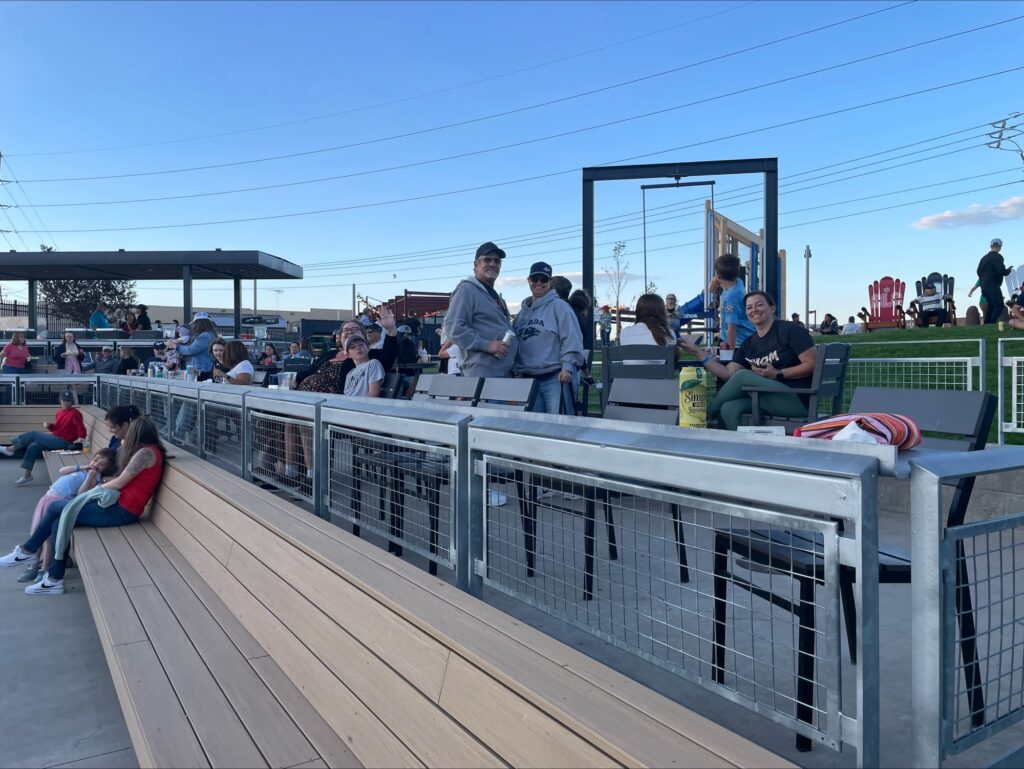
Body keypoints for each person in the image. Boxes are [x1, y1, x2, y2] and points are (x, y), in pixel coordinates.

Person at [0, 416, 166, 596]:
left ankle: (29, 551)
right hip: (118, 506)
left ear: (137, 434)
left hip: (122, 511)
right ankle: (53, 579)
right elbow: (122, 480)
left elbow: (119, 483)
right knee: (58, 520)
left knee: (56, 507)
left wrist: (92, 492)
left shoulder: (145, 453)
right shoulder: (149, 451)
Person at [680, 291, 817, 431]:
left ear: (772, 308)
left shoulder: (790, 330)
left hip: (799, 400)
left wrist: (778, 373)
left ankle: (702, 415)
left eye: (759, 305)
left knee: (744, 375)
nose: (754, 310)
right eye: (749, 307)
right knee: (729, 409)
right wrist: (699, 353)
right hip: (766, 397)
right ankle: (740, 451)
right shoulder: (749, 344)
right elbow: (727, 373)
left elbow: (812, 364)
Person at [15, 448, 117, 583]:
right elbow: (62, 470)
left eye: (102, 464)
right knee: (37, 532)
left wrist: (90, 477)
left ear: (107, 468)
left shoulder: (96, 478)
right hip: (47, 498)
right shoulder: (82, 469)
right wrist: (82, 467)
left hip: (59, 501)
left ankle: (44, 568)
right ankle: (32, 567)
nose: (96, 464)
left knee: (48, 537)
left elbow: (81, 494)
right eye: (96, 460)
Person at [512, 261, 584, 414]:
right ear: (529, 281)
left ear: (550, 282)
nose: (539, 282)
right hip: (528, 379)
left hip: (555, 377)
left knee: (560, 426)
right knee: (534, 429)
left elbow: (571, 338)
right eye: (535, 278)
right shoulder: (522, 313)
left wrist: (568, 368)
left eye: (543, 279)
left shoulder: (560, 307)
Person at [443, 241, 518, 378]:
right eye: (487, 260)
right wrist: (487, 345)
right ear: (476, 266)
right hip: (481, 371)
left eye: (497, 261)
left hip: (500, 371)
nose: (493, 264)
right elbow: (453, 328)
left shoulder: (497, 298)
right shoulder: (467, 290)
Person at [0, 390, 88, 485]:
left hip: (64, 442)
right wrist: (50, 426)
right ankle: (27, 475)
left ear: (72, 402)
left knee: (33, 434)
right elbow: (58, 429)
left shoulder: (75, 413)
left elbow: (81, 429)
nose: (66, 403)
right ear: (60, 401)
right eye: (64, 400)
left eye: (68, 401)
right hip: (55, 439)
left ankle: (11, 448)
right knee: (33, 446)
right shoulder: (60, 412)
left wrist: (81, 438)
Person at [711, 254, 755, 351]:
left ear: (718, 275)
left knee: (723, 365)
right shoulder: (738, 281)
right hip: (727, 335)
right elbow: (712, 290)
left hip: (737, 342)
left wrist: (730, 354)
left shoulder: (732, 298)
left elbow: (732, 329)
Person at [619, 293, 678, 361]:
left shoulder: (625, 332)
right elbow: (673, 359)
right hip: (657, 371)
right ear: (661, 312)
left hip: (628, 371)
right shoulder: (668, 333)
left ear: (638, 311)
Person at [166, 312, 218, 378]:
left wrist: (175, 346)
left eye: (195, 323)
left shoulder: (204, 336)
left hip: (203, 369)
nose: (194, 326)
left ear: (200, 323)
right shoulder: (209, 334)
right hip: (205, 368)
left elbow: (191, 350)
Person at [977, 237, 1012, 325]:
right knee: (999, 305)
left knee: (991, 305)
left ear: (991, 246)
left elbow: (978, 271)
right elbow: (1001, 271)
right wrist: (1008, 270)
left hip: (984, 286)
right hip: (993, 285)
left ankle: (986, 324)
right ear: (999, 246)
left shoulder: (984, 258)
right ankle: (991, 323)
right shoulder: (998, 257)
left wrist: (983, 279)